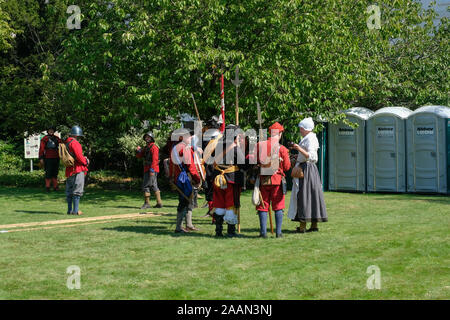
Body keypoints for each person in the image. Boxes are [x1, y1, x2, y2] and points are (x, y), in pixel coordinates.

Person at [287, 117, 328, 232]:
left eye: (301, 128)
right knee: (311, 196)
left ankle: (303, 227)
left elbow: (312, 156)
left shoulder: (310, 139)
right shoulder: (308, 138)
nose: (300, 130)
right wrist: (297, 156)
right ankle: (313, 226)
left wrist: (298, 148)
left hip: (307, 169)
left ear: (306, 128)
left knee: (303, 196)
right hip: (307, 168)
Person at [254, 122, 291, 238]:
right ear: (279, 134)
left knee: (263, 206)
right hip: (277, 180)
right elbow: (287, 167)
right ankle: (279, 233)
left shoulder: (260, 145)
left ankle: (263, 233)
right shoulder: (282, 149)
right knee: (278, 206)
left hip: (263, 180)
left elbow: (253, 161)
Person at [211, 124, 248, 237]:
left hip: (218, 180)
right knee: (231, 205)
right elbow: (244, 166)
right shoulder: (235, 149)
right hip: (231, 180)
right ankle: (231, 232)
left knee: (219, 204)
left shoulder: (217, 146)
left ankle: (218, 231)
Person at [169, 129, 201, 233]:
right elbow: (191, 166)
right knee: (184, 201)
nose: (190, 138)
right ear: (182, 137)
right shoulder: (185, 148)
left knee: (188, 200)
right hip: (185, 179)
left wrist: (171, 178)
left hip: (177, 179)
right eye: (188, 136)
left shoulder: (174, 148)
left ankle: (189, 224)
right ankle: (178, 227)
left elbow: (171, 166)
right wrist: (197, 179)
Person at [65, 125, 89, 215]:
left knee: (69, 191)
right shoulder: (75, 143)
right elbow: (79, 157)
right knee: (77, 191)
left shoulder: (66, 142)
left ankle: (69, 210)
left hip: (69, 169)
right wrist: (85, 161)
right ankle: (75, 211)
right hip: (77, 169)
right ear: (77, 135)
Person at [136, 131, 163, 209]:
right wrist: (138, 150)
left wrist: (152, 170)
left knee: (146, 186)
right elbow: (139, 156)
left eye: (148, 137)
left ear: (152, 138)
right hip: (148, 168)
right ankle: (159, 203)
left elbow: (155, 160)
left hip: (151, 169)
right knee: (154, 186)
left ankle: (147, 203)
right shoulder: (146, 147)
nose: (147, 138)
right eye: (146, 137)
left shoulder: (154, 147)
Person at [38, 126, 62, 192]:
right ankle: (47, 187)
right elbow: (41, 149)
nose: (51, 131)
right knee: (48, 173)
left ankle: (55, 187)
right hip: (48, 158)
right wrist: (41, 158)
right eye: (50, 130)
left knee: (55, 173)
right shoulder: (44, 139)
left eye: (52, 130)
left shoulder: (57, 138)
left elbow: (63, 143)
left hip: (56, 157)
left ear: (54, 131)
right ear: (47, 131)